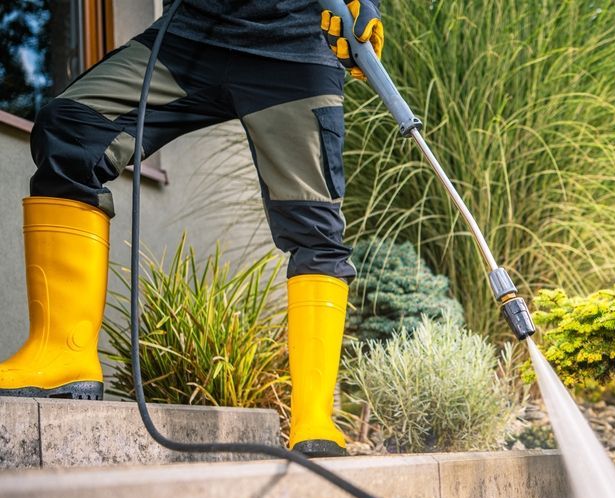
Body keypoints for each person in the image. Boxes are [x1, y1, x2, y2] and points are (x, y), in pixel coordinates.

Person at [0, 0, 384, 458]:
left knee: (314, 226)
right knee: (71, 128)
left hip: (294, 50)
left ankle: (313, 419)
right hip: (191, 36)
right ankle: (61, 355)